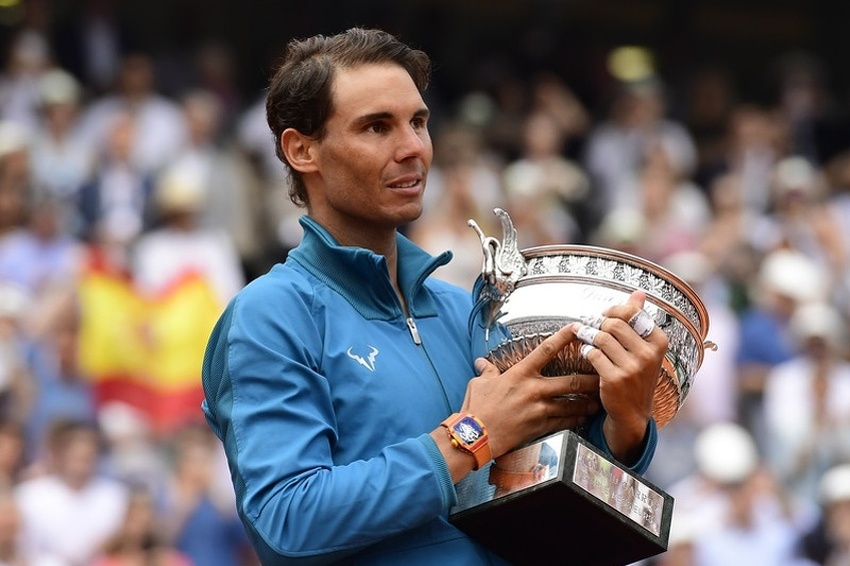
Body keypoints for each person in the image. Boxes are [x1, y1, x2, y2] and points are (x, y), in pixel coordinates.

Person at [201, 27, 667, 565]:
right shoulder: (269, 315)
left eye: (418, 122)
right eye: (377, 127)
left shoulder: (464, 310)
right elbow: (287, 521)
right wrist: (468, 438)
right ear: (301, 149)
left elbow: (549, 509)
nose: (412, 148)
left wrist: (625, 428)